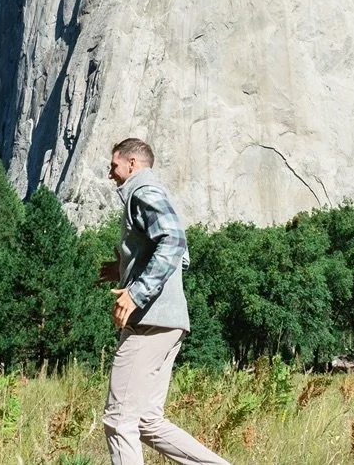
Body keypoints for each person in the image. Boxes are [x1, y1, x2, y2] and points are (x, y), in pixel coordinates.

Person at [103, 138, 231, 465]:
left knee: (119, 421)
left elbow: (174, 241)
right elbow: (181, 258)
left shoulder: (142, 192)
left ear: (132, 163)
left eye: (114, 165)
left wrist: (136, 292)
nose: (110, 173)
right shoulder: (157, 193)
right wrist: (124, 269)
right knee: (147, 422)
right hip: (170, 321)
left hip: (150, 322)